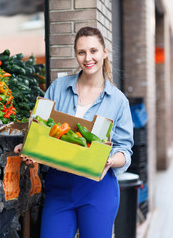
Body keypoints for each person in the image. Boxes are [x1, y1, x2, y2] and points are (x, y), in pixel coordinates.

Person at [14, 26, 134, 238]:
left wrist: (109, 159)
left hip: (97, 188)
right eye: (81, 52)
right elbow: (40, 125)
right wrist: (30, 149)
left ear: (104, 52)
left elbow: (125, 150)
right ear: (76, 54)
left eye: (94, 51)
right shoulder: (58, 87)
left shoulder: (117, 101)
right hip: (59, 186)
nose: (88, 58)